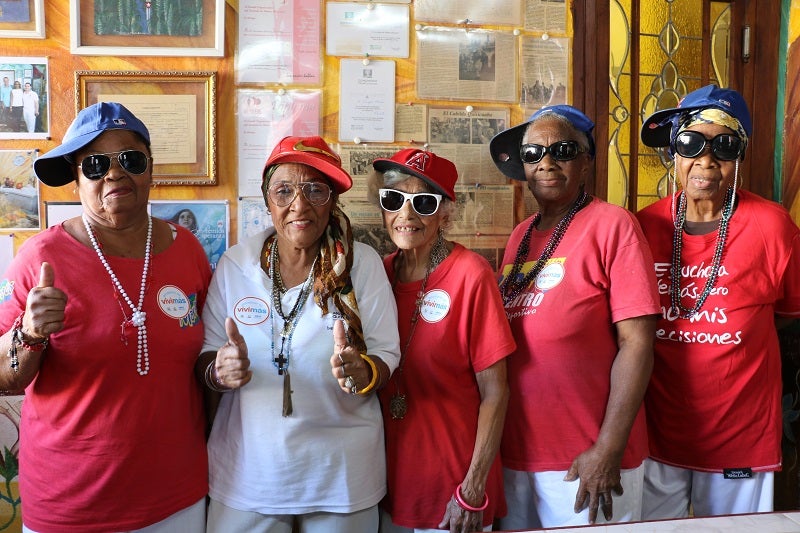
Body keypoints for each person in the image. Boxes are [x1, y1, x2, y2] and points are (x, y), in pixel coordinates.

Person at [0, 102, 211, 532]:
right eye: (95, 165)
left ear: (150, 169)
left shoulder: (188, 249)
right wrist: (30, 333)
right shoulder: (39, 257)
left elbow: (207, 355)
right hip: (71, 502)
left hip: (178, 495)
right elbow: (3, 375)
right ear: (76, 179)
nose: (114, 174)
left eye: (130, 160)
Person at [199, 135, 401, 532]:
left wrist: (363, 371)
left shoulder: (362, 264)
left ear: (333, 201)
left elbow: (386, 353)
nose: (299, 205)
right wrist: (219, 371)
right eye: (284, 191)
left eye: (315, 190)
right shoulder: (236, 264)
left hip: (341, 476)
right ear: (267, 200)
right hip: (249, 473)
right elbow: (207, 355)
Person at [488, 105, 660, 528]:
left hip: (586, 460)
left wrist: (608, 448)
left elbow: (637, 344)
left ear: (586, 162)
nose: (546, 162)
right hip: (518, 454)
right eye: (533, 153)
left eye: (563, 150)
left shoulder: (613, 225)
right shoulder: (520, 235)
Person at [636, 84, 800, 518]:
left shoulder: (773, 226)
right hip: (657, 430)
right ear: (673, 151)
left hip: (739, 433)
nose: (706, 161)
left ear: (739, 155)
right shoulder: (642, 227)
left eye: (724, 146)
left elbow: (787, 313)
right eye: (691, 143)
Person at [369, 149, 515, 533]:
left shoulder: (471, 275)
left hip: (453, 488)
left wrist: (473, 487)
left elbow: (496, 392)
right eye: (394, 199)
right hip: (389, 483)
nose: (406, 214)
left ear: (446, 214)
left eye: (424, 203)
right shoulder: (378, 274)